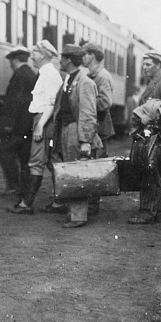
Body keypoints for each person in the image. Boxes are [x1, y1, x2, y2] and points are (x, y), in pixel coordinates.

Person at [48, 44, 103, 228]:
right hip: (65, 130)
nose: (60, 61)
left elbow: (88, 114)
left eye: (62, 57)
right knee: (69, 171)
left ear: (69, 60)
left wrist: (85, 141)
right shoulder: (69, 79)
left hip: (75, 131)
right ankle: (73, 212)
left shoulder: (85, 82)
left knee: (77, 173)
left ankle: (79, 216)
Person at [7, 40, 63, 215]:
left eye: (36, 52)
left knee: (36, 161)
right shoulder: (45, 73)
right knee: (50, 162)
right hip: (41, 119)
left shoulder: (50, 74)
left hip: (43, 120)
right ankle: (59, 202)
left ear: (44, 55)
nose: (32, 56)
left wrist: (39, 126)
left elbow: (52, 104)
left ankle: (27, 203)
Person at [127, 51, 161, 225]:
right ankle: (152, 211)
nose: (144, 67)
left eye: (148, 64)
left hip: (157, 139)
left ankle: (148, 213)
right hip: (149, 137)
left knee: (151, 172)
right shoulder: (152, 83)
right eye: (143, 64)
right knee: (149, 171)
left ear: (159, 65)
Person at [0, 45, 37, 196]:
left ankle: (14, 186)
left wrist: (7, 126)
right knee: (24, 159)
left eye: (10, 60)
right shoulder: (31, 74)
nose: (9, 64)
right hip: (28, 125)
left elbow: (14, 102)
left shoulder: (19, 75)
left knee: (5, 152)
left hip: (16, 126)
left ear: (14, 59)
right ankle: (24, 189)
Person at [82, 42, 114, 216]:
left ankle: (93, 206)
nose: (82, 57)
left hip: (100, 128)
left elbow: (105, 102)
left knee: (95, 166)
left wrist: (85, 109)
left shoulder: (102, 76)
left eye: (85, 54)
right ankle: (90, 203)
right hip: (95, 127)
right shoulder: (93, 74)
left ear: (92, 55)